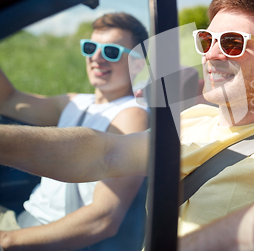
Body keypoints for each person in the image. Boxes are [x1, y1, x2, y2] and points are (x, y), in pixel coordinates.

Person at [0, 0, 254, 251]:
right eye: (206, 39)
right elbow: (104, 153)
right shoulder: (193, 121)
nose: (211, 54)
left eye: (233, 42)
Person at [0, 13, 150, 250]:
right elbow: (8, 99)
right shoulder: (75, 102)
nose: (96, 58)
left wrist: (7, 240)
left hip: (47, 240)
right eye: (90, 48)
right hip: (24, 220)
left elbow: (104, 218)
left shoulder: (132, 115)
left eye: (111, 51)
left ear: (138, 63)